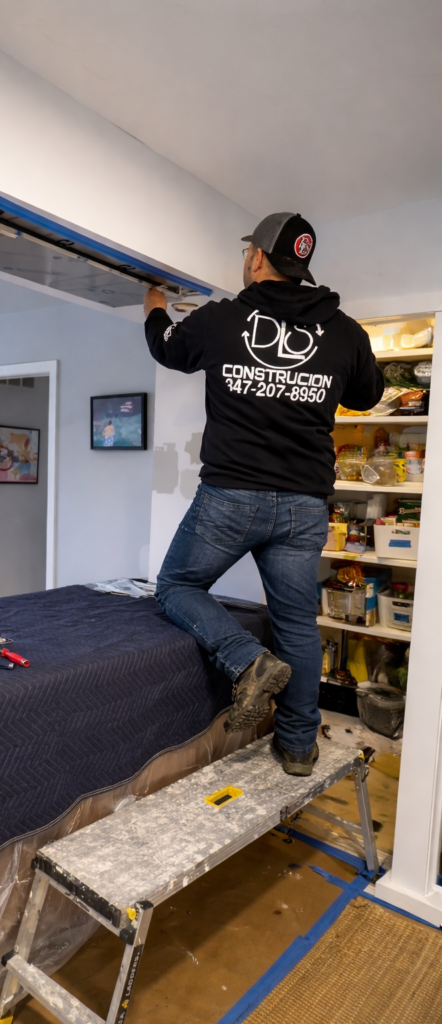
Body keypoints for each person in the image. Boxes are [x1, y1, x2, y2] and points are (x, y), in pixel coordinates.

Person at [144, 212, 384, 776]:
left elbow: (166, 348)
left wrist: (155, 302)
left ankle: (247, 660)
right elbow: (369, 394)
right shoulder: (345, 330)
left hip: (233, 494)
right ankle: (299, 747)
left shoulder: (224, 319)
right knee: (297, 622)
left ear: (256, 258)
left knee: (177, 584)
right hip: (304, 504)